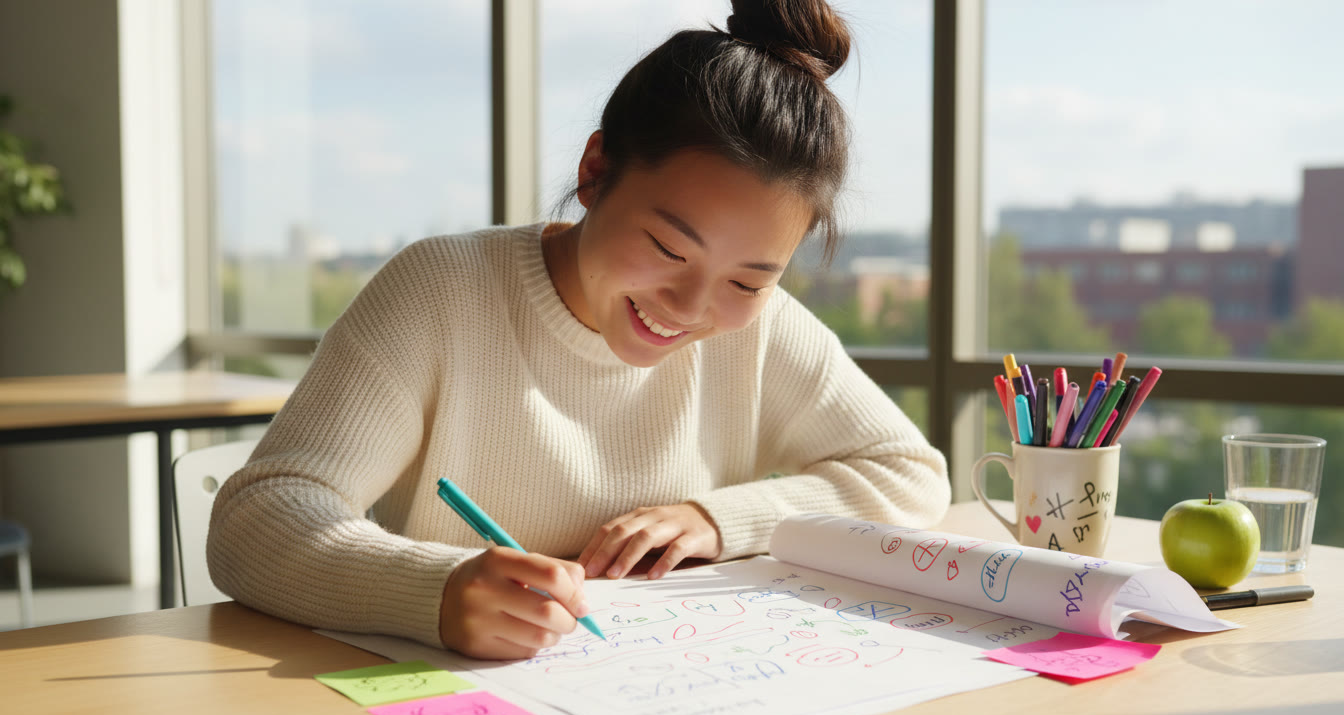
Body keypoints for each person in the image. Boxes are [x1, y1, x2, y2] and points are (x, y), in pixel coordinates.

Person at [208, 0, 951, 660]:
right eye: (667, 248)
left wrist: (717, 519)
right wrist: (434, 591)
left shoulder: (758, 331)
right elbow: (255, 521)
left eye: (749, 280)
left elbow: (910, 477)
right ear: (595, 171)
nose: (692, 306)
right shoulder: (443, 292)